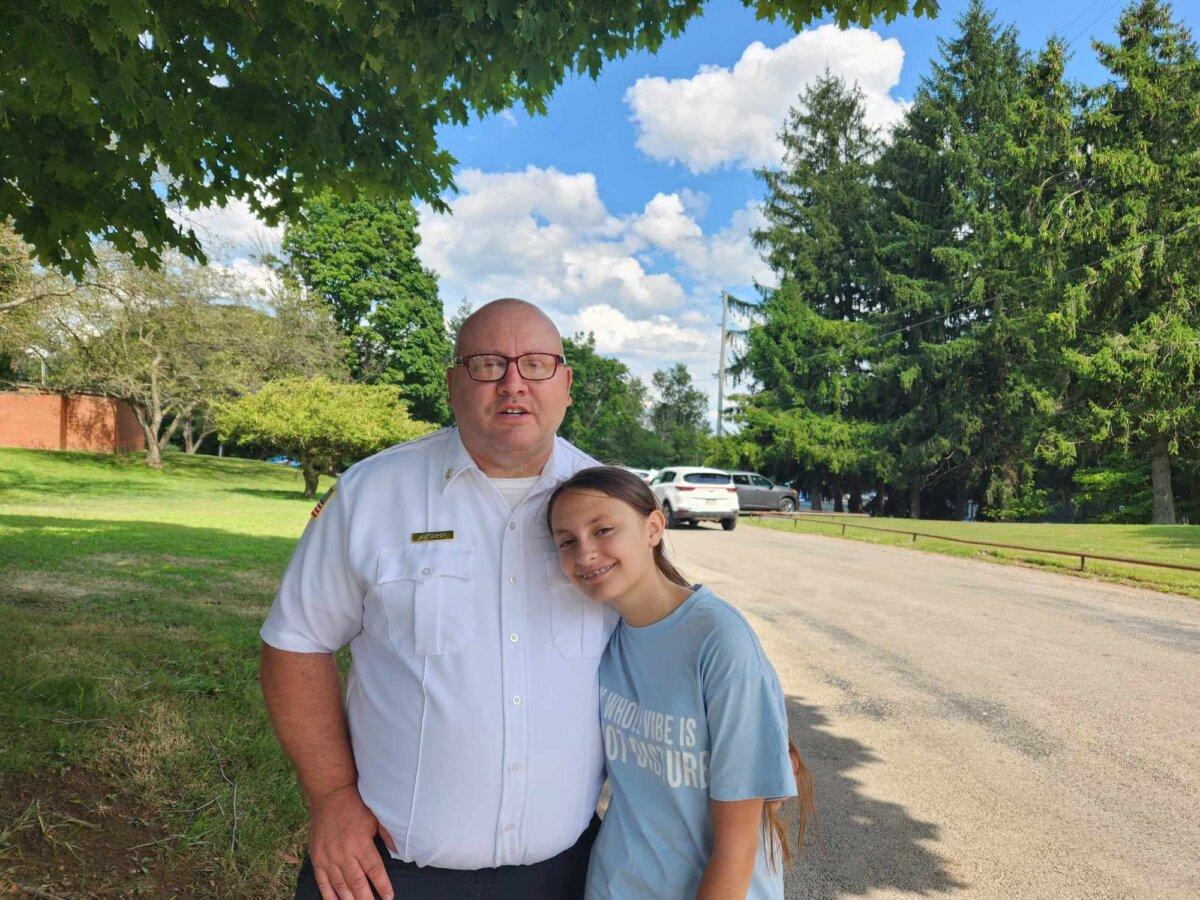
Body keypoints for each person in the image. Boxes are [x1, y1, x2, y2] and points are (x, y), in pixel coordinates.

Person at [259, 298, 618, 900]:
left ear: (566, 385)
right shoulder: (373, 493)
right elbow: (295, 644)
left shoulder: (612, 505)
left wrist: (738, 718)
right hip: (386, 874)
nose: (512, 384)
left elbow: (668, 627)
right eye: (486, 365)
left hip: (568, 873)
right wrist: (330, 795)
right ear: (454, 384)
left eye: (535, 364)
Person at [547, 466, 816, 899]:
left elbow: (737, 849)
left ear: (654, 527)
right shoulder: (604, 640)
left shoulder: (719, 639)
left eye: (603, 530)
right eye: (567, 541)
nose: (585, 553)